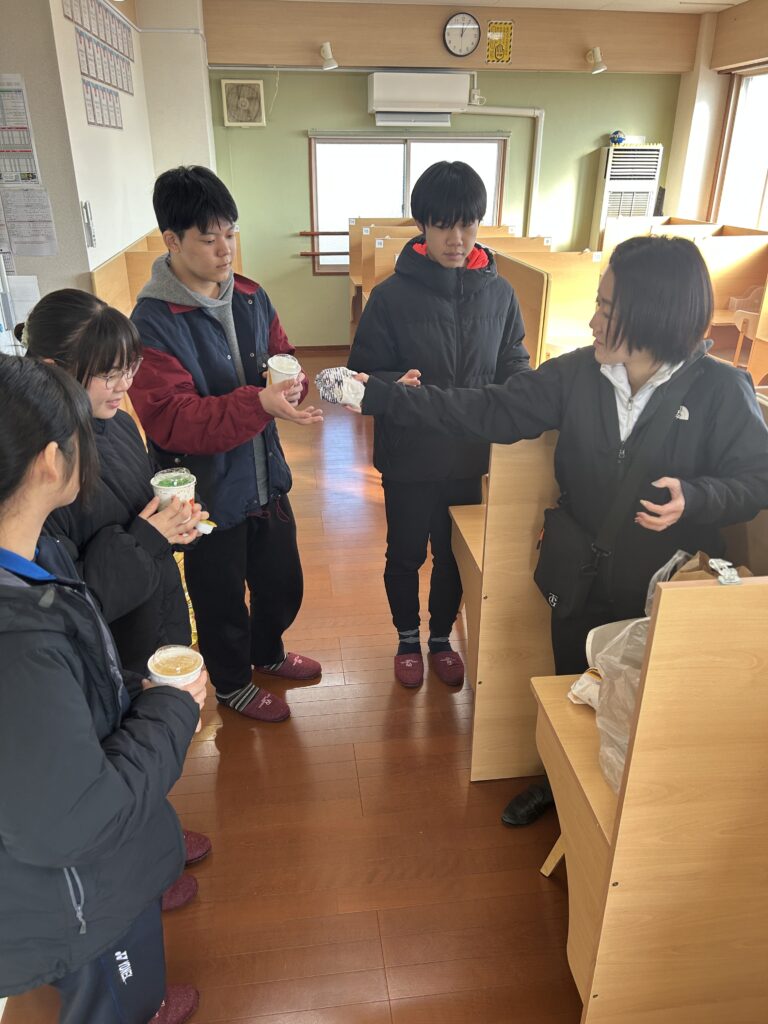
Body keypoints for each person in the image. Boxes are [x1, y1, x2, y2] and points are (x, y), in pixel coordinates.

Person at [351, 235, 768, 822]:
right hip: (578, 574)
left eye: (607, 308)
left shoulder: (721, 389)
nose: (593, 320)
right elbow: (485, 408)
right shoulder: (578, 374)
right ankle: (556, 784)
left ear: (653, 314)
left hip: (663, 589)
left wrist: (699, 497)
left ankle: (628, 826)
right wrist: (385, 397)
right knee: (571, 685)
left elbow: (757, 480)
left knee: (643, 710)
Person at [0, 355, 205, 1024]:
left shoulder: (34, 561)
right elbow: (75, 823)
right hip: (73, 903)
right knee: (110, 998)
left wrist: (127, 689)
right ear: (49, 462)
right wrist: (171, 709)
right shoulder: (17, 640)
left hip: (52, 880)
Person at [21, 289, 212, 907]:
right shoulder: (40, 467)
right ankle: (142, 873)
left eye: (128, 369)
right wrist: (148, 537)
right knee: (123, 747)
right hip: (108, 634)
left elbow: (138, 512)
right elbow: (71, 595)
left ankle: (156, 833)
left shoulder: (119, 423)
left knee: (157, 734)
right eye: (107, 374)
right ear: (51, 369)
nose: (124, 386)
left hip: (151, 601)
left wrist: (173, 522)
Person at [130, 166, 323, 723]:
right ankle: (234, 684)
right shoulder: (152, 322)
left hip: (266, 477)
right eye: (209, 237)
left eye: (231, 233)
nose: (225, 249)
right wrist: (260, 403)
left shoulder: (251, 295)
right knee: (219, 599)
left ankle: (268, 652)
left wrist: (291, 384)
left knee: (282, 584)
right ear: (172, 240)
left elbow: (282, 355)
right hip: (207, 494)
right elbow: (173, 420)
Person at [348, 161, 529, 688]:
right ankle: (407, 638)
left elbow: (513, 358)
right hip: (409, 453)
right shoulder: (390, 296)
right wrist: (393, 383)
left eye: (467, 224)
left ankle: (441, 637)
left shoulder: (500, 293)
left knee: (454, 556)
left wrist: (525, 391)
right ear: (422, 225)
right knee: (405, 553)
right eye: (444, 225)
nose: (457, 238)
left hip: (470, 454)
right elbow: (362, 375)